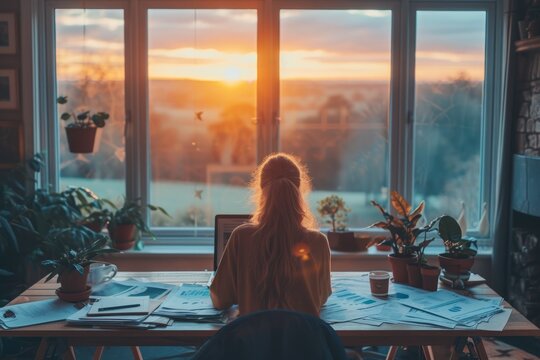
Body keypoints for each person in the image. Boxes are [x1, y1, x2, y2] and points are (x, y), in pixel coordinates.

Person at [210, 153, 331, 316]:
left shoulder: (242, 237)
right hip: (302, 341)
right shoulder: (318, 242)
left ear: (261, 190)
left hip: (254, 340)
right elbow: (321, 298)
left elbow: (220, 300)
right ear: (298, 190)